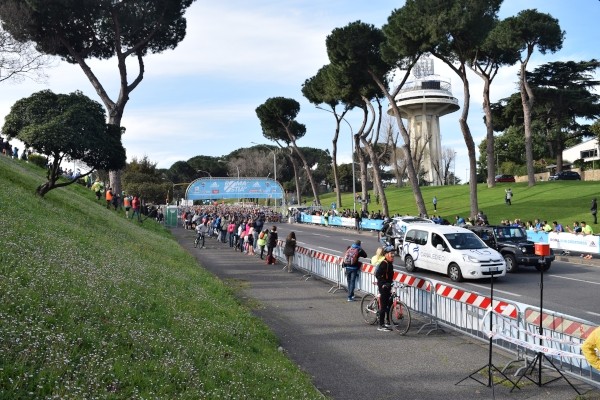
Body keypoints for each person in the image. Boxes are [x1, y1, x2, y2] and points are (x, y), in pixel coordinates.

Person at [375, 248, 395, 332]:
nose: (393, 256)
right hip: (383, 286)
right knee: (383, 306)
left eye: (393, 254)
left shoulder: (390, 264)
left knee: (390, 303)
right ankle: (381, 325)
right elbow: (378, 275)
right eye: (391, 254)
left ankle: (388, 321)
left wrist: (391, 284)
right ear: (386, 255)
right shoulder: (384, 263)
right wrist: (384, 283)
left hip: (388, 286)